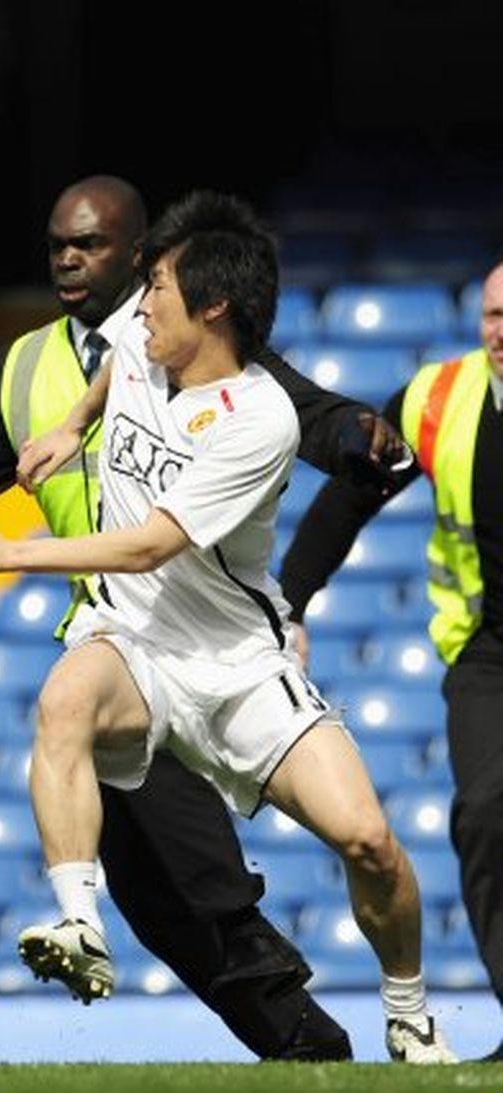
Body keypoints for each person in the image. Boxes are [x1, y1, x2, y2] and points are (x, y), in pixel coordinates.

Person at [0, 174, 404, 1059]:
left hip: (208, 641)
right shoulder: (28, 367)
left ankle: (303, 1017)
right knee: (152, 896)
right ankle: (304, 1047)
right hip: (112, 635)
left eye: (88, 244)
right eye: (55, 242)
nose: (65, 258)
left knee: (196, 869)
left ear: (140, 258)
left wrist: (364, 438)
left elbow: (303, 409)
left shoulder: (198, 343)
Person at [279, 259, 503, 1060]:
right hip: (488, 652)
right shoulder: (440, 396)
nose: (500, 333)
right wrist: (290, 602)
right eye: (491, 315)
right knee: (485, 813)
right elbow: (349, 496)